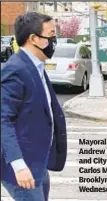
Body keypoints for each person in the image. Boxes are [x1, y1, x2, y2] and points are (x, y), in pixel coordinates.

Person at [1, 12, 67, 201]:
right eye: (52, 34)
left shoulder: (36, 67)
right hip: (22, 168)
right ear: (33, 39)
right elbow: (3, 120)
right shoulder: (15, 69)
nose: (55, 40)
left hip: (38, 163)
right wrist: (18, 165)